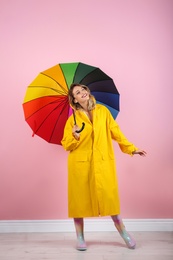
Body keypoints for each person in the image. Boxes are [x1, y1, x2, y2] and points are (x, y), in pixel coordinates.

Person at [61, 83, 146, 251]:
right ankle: (80, 237)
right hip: (80, 165)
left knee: (110, 199)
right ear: (74, 100)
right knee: (79, 201)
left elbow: (116, 132)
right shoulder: (73, 120)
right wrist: (74, 136)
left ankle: (124, 234)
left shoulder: (103, 112)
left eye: (83, 89)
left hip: (102, 161)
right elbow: (66, 145)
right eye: (77, 92)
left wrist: (132, 148)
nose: (82, 93)